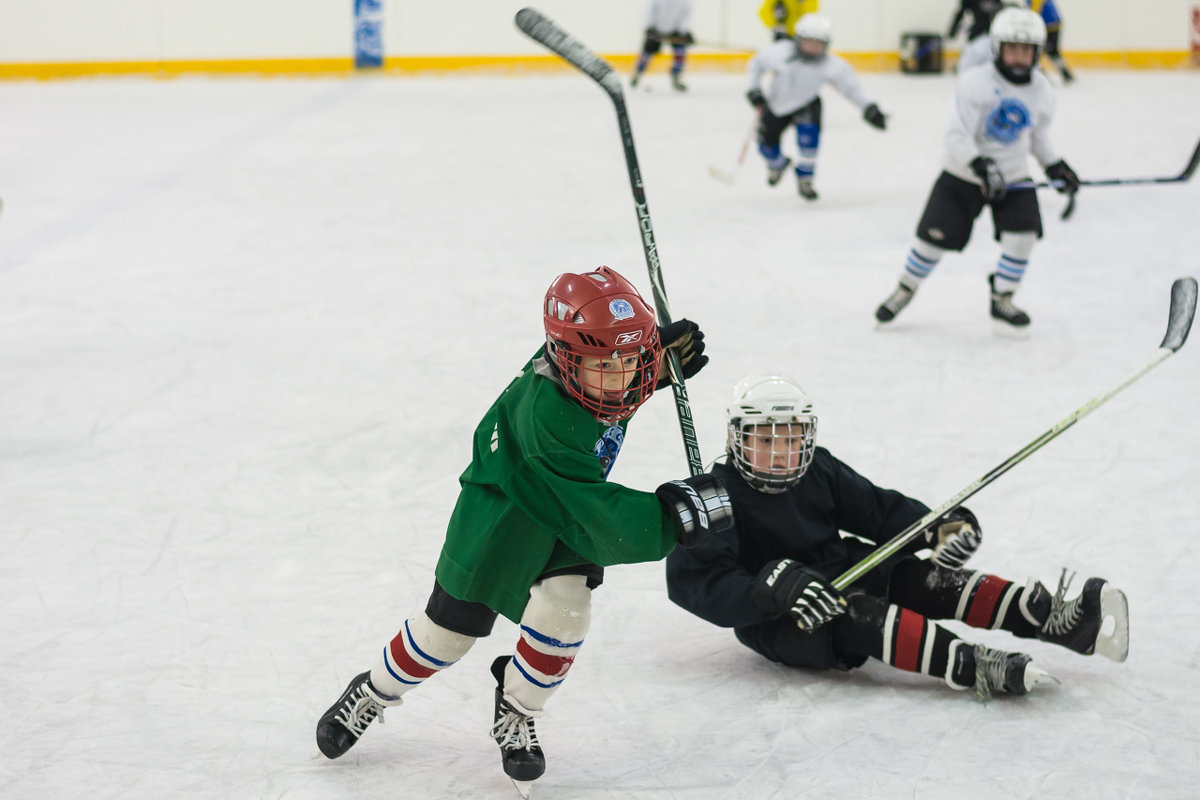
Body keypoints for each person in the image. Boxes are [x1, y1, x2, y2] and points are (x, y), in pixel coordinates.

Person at [314, 266, 732, 793]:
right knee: (443, 639)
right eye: (605, 363)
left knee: (564, 613)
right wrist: (676, 514)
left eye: (631, 360)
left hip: (566, 514)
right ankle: (372, 692)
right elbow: (604, 513)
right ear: (566, 359)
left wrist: (657, 368)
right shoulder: (547, 421)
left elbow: (608, 399)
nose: (620, 376)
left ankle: (515, 709)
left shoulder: (588, 369)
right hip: (503, 518)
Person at [666, 375, 1130, 701]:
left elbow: (876, 508)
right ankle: (971, 663)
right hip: (783, 623)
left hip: (845, 569)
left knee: (921, 577)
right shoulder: (714, 496)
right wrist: (766, 588)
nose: (782, 454)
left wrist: (937, 525)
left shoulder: (819, 468)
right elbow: (695, 583)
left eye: (791, 439)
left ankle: (1054, 620)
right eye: (766, 441)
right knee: (862, 615)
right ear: (737, 437)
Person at [873, 6, 1080, 334]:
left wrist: (1055, 165)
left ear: (1038, 52)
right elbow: (956, 136)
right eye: (1011, 49)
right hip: (963, 175)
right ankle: (905, 289)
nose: (1018, 58)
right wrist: (980, 166)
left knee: (1023, 237)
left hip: (1012, 176)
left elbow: (1038, 137)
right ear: (997, 48)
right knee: (931, 243)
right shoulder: (975, 83)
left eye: (1026, 51)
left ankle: (1002, 298)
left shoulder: (1042, 89)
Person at [745, 13, 888, 201]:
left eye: (818, 43)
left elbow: (850, 87)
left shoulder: (830, 65)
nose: (812, 47)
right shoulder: (780, 52)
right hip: (776, 105)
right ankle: (778, 164)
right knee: (766, 148)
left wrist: (868, 108)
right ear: (798, 39)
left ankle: (805, 178)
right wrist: (754, 90)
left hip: (807, 104)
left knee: (809, 141)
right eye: (808, 41)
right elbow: (756, 65)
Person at [631, 0, 694, 91]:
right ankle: (638, 72)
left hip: (675, 30)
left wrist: (684, 31)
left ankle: (677, 76)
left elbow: (686, 16)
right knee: (647, 52)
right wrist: (649, 27)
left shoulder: (685, 2)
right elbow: (649, 11)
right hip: (656, 29)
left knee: (680, 51)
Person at [1031, 0, 1075, 83]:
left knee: (1046, 52)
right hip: (1050, 23)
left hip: (1049, 24)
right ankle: (1064, 74)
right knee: (1049, 52)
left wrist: (1030, 19)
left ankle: (1044, 77)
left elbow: (1035, 8)